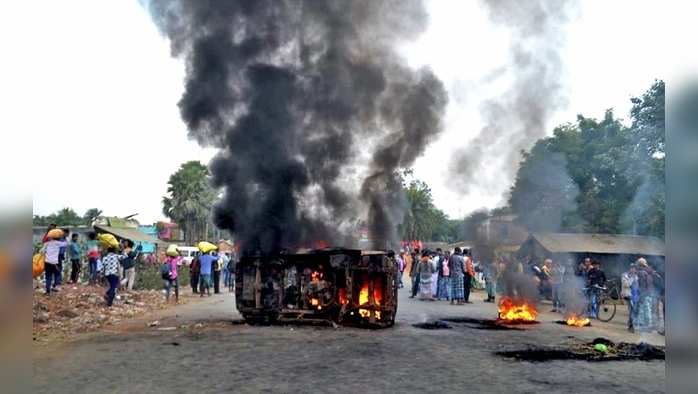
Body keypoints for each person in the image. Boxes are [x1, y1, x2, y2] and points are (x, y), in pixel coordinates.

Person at [42, 231, 68, 295]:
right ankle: (55, 286)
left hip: (47, 262)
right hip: (55, 263)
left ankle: (48, 291)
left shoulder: (46, 243)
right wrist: (65, 237)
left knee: (48, 276)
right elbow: (66, 244)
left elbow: (42, 251)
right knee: (57, 273)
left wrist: (46, 252)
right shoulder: (58, 243)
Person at [621, 264, 639, 332]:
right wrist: (632, 278)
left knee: (633, 310)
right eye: (632, 268)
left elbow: (637, 286)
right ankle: (631, 326)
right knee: (632, 310)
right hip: (628, 295)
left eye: (634, 268)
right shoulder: (624, 275)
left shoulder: (636, 276)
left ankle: (630, 323)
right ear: (629, 269)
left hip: (635, 295)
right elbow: (626, 285)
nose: (633, 270)